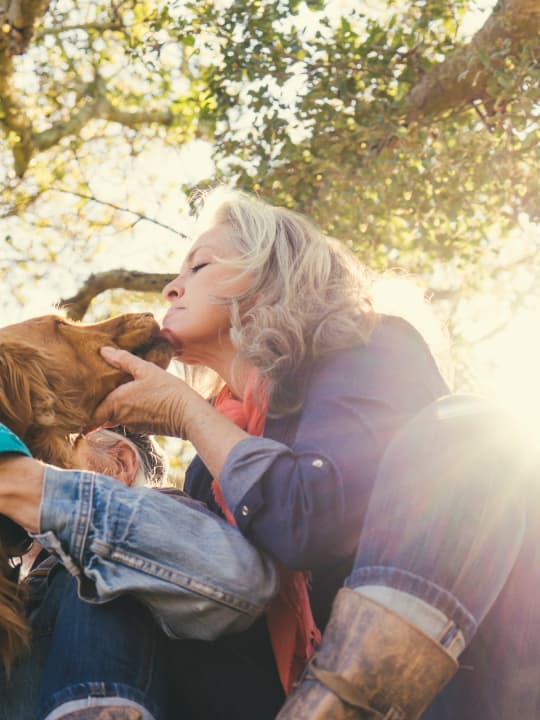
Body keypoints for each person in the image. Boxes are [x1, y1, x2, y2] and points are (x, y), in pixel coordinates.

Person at [0, 188, 533, 719]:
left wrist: (187, 414)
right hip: (269, 696)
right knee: (111, 565)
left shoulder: (373, 350)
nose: (170, 287)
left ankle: (346, 698)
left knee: (476, 428)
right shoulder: (207, 470)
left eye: (199, 265)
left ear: (267, 274)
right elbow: (221, 590)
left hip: (444, 694)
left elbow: (312, 522)